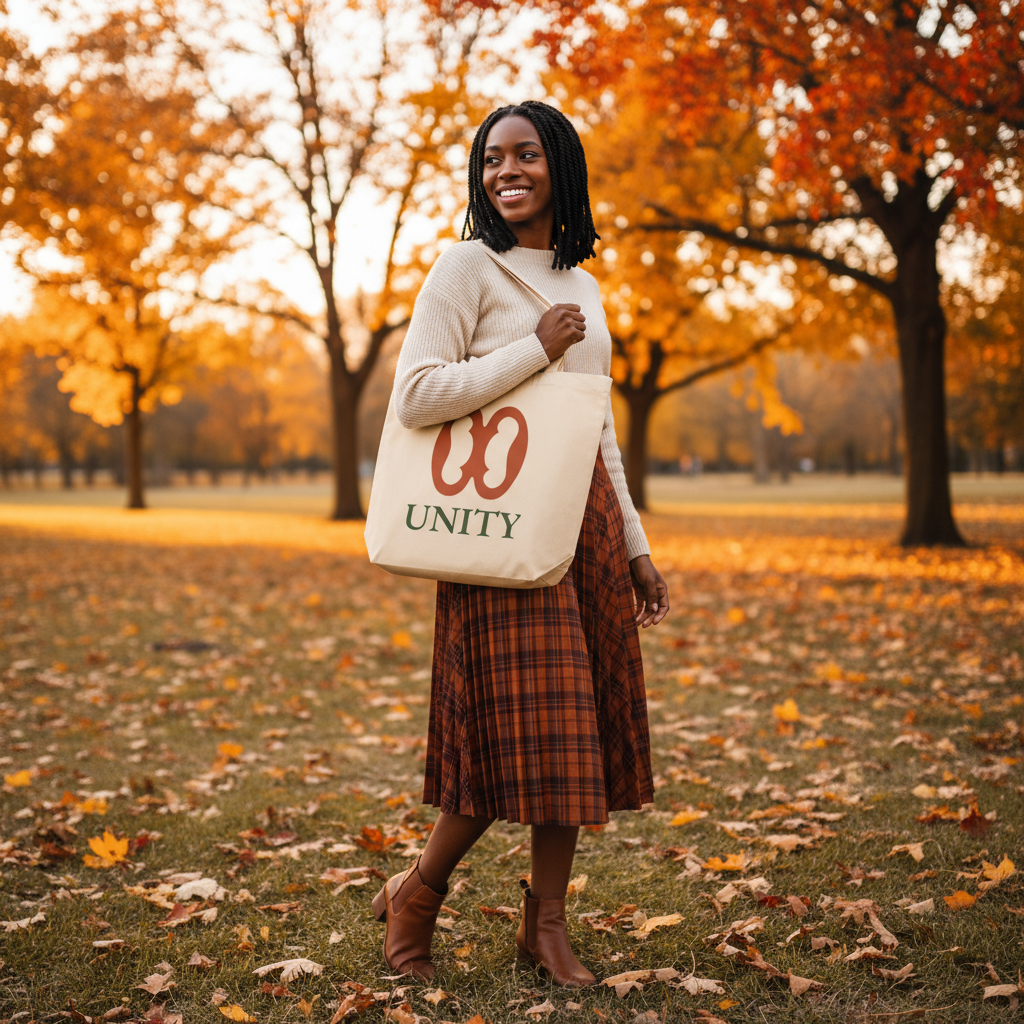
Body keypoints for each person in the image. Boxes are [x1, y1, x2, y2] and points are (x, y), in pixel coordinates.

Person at [371, 100, 670, 988]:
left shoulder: (585, 285)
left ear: (560, 169)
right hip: (497, 524)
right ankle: (419, 890)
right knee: (502, 735)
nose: (509, 170)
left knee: (571, 735)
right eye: (494, 157)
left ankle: (546, 929)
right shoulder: (464, 268)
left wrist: (635, 545)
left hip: (585, 526)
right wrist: (531, 352)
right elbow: (418, 395)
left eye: (528, 155)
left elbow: (597, 428)